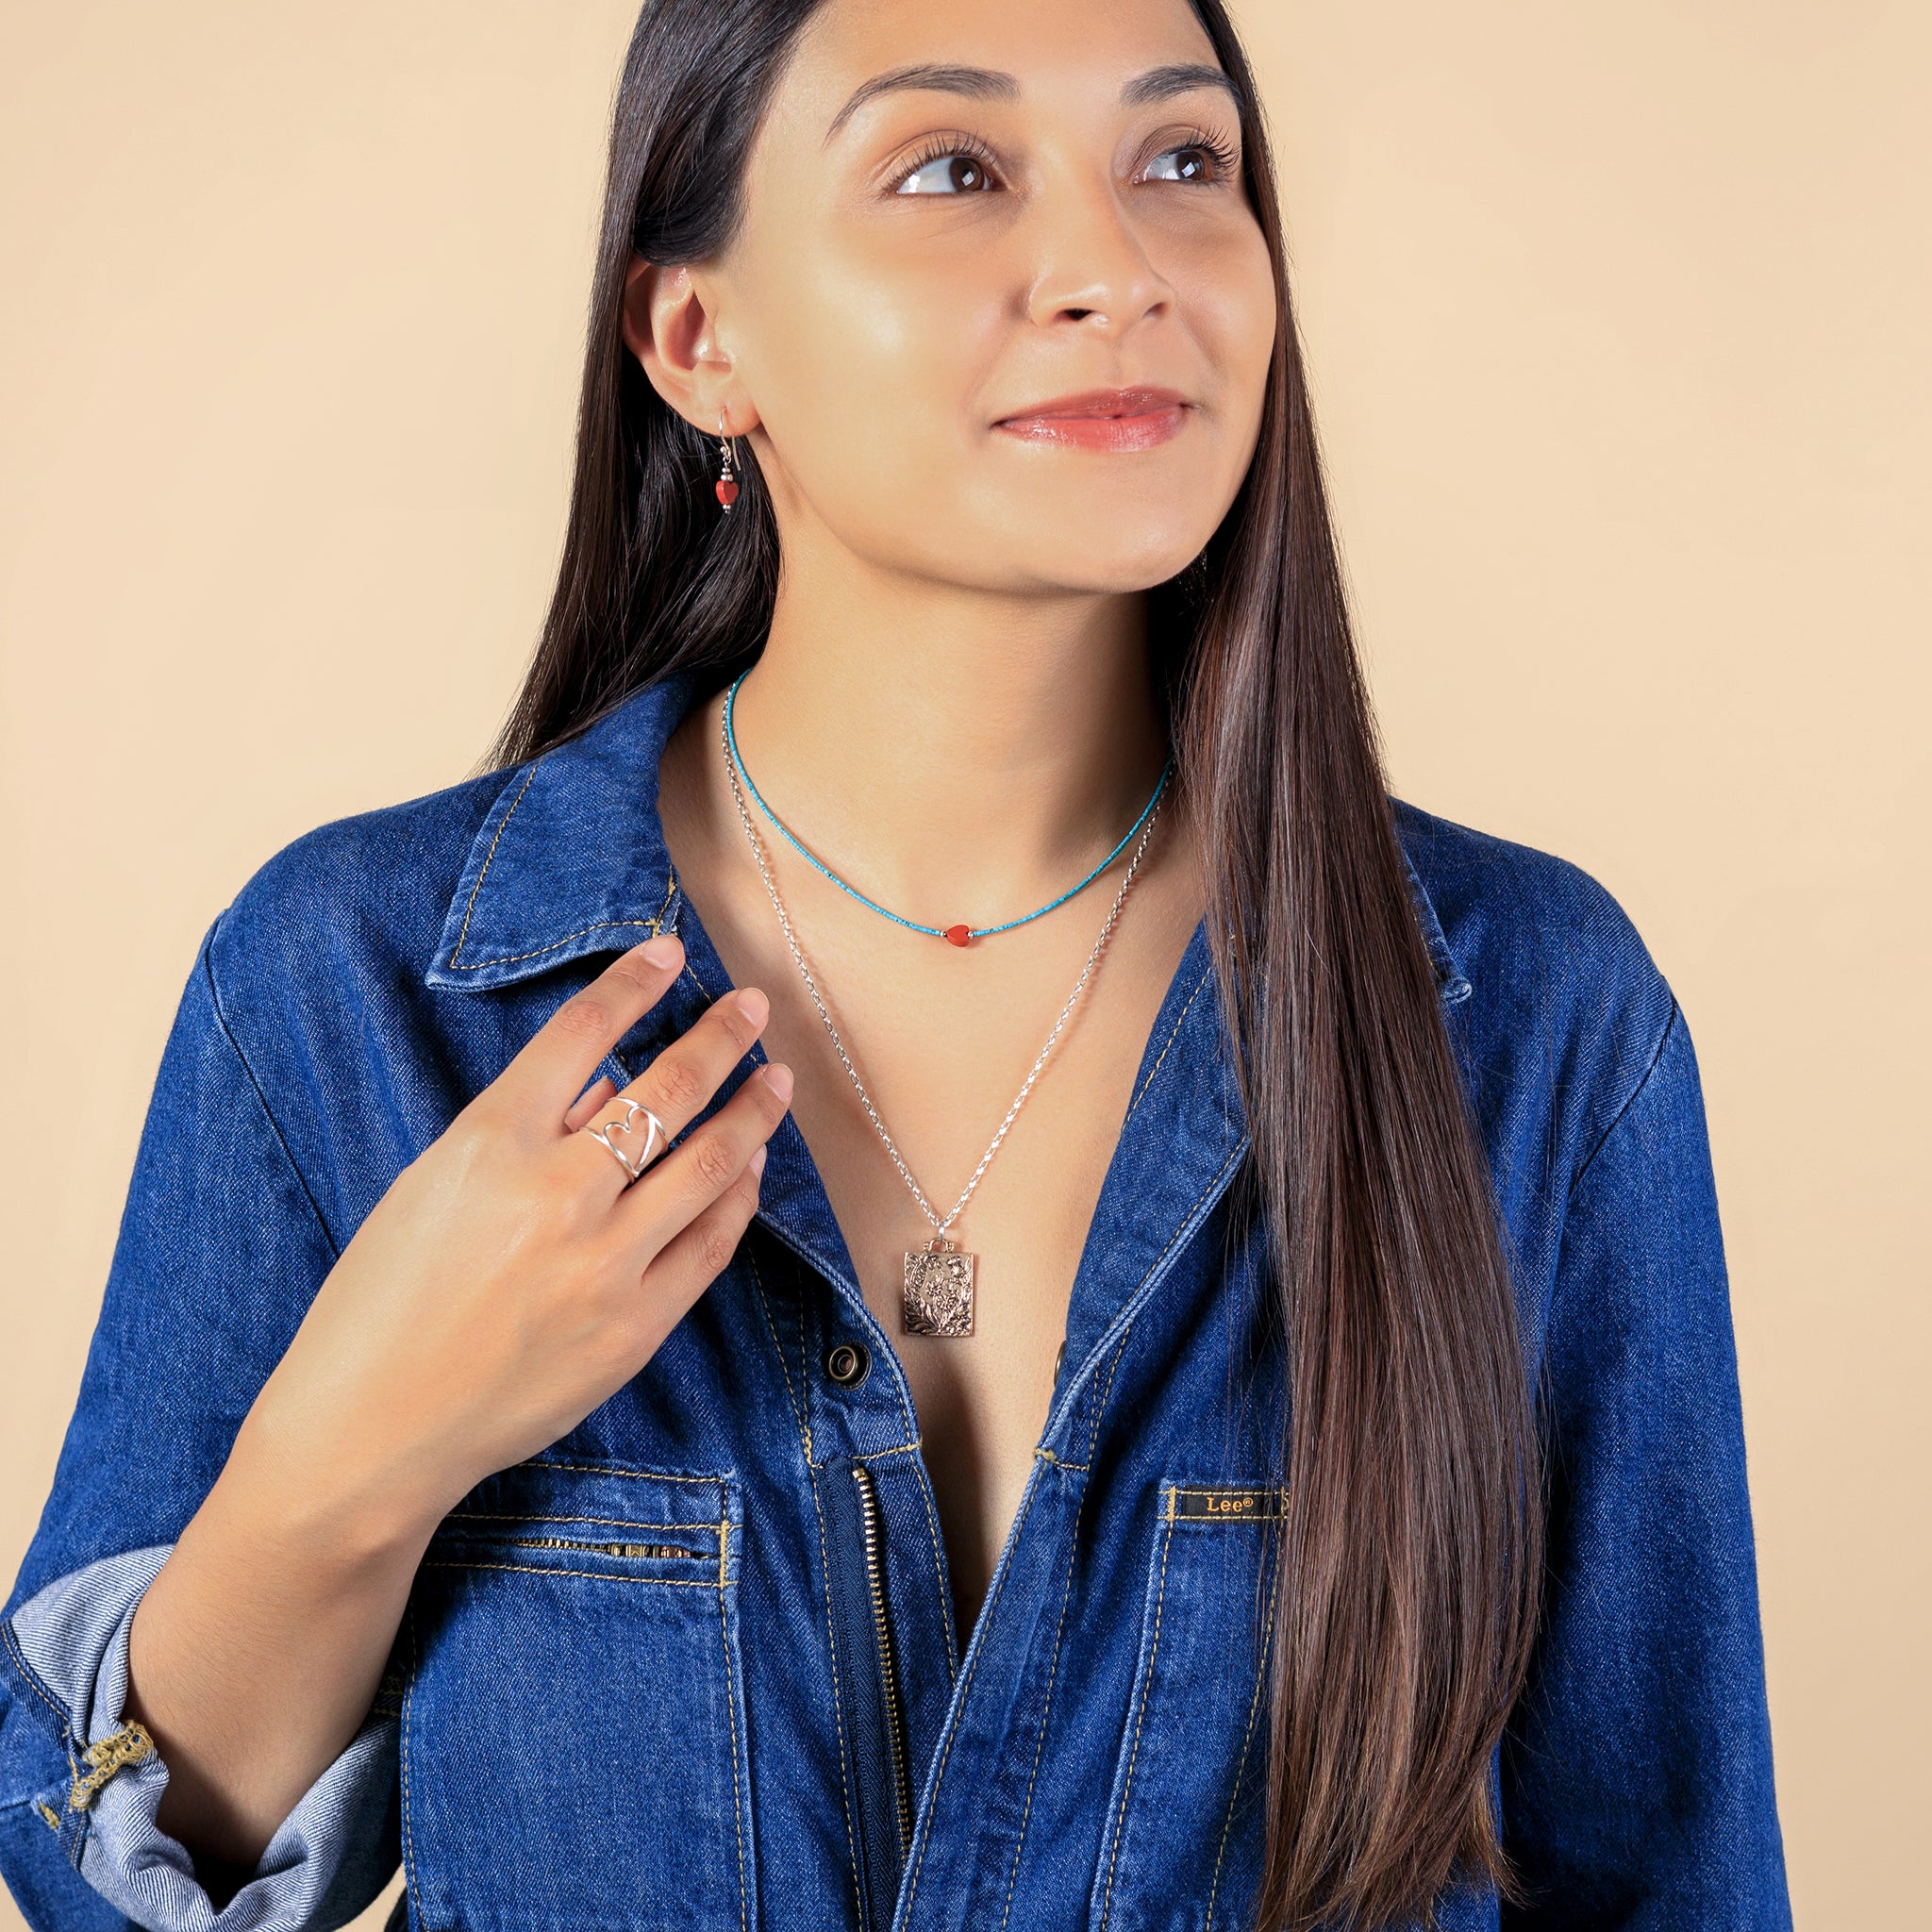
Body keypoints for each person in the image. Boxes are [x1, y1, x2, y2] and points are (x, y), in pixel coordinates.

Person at [0, 1, 1792, 1928]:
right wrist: (356, 1451)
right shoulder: (358, 995)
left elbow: (1667, 1878)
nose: (1115, 267)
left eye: (1182, 163)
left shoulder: (1527, 1023)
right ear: (698, 340)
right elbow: (106, 1879)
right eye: (954, 170)